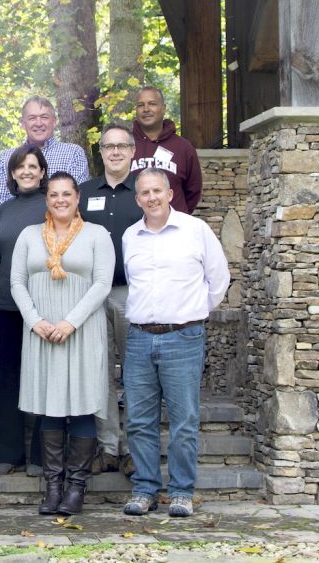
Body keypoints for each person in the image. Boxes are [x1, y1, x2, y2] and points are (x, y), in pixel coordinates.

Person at [122, 168, 229, 518]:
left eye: (157, 191)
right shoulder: (130, 236)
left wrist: (192, 313)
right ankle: (145, 489)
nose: (151, 198)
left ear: (169, 193)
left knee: (184, 420)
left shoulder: (195, 231)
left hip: (183, 337)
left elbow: (219, 279)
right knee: (139, 420)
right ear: (137, 199)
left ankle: (182, 491)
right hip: (138, 338)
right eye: (144, 193)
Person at [10, 172, 115, 516]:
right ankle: (53, 487)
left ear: (77, 197)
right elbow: (17, 283)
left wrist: (70, 321)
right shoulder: (28, 236)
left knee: (83, 405)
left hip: (82, 330)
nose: (60, 200)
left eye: (66, 194)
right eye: (53, 194)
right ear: (47, 200)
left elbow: (102, 284)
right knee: (50, 406)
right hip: (42, 331)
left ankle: (76, 488)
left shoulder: (97, 235)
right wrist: (35, 320)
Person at [78, 122, 139, 476]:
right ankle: (108, 447)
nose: (115, 152)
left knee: (135, 373)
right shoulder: (85, 193)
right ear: (100, 153)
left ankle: (133, 448)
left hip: (133, 294)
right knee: (99, 373)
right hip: (92, 296)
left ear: (133, 151)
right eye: (108, 146)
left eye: (122, 146)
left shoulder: (144, 191)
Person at [0, 145, 48, 477]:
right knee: (8, 377)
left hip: (42, 306)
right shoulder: (5, 210)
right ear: (11, 173)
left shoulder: (52, 206)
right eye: (20, 167)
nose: (26, 171)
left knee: (40, 374)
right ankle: (7, 453)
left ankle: (41, 455)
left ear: (42, 172)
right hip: (7, 306)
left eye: (33, 166)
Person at [0, 97, 89, 249]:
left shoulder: (73, 153)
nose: (39, 123)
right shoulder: (9, 157)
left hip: (62, 238)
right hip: (16, 236)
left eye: (44, 117)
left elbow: (79, 197)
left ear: (54, 121)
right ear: (23, 123)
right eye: (32, 118)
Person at [129, 87, 202, 213]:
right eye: (141, 105)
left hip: (174, 227)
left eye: (152, 104)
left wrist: (178, 214)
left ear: (163, 108)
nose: (146, 109)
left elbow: (193, 191)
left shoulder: (183, 147)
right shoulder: (125, 145)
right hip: (133, 226)